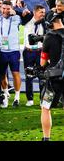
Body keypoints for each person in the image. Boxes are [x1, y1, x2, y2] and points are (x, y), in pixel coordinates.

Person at [39, 13, 64, 141]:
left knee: (46, 107)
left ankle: (46, 138)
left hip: (55, 79)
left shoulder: (49, 37)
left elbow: (42, 63)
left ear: (49, 24)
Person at [0, 1, 22, 107]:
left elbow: (27, 13)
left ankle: (17, 97)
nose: (5, 11)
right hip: (2, 51)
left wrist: (17, 12)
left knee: (15, 73)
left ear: (11, 9)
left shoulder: (17, 18)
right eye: (3, 8)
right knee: (2, 75)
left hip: (14, 50)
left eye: (8, 8)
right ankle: (6, 94)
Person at [22, 4, 46, 106]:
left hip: (40, 51)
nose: (43, 14)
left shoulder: (45, 23)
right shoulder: (27, 20)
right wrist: (23, 12)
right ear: (35, 12)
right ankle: (30, 99)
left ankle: (42, 99)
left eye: (44, 12)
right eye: (41, 12)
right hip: (29, 52)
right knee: (29, 75)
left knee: (42, 76)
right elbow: (18, 13)